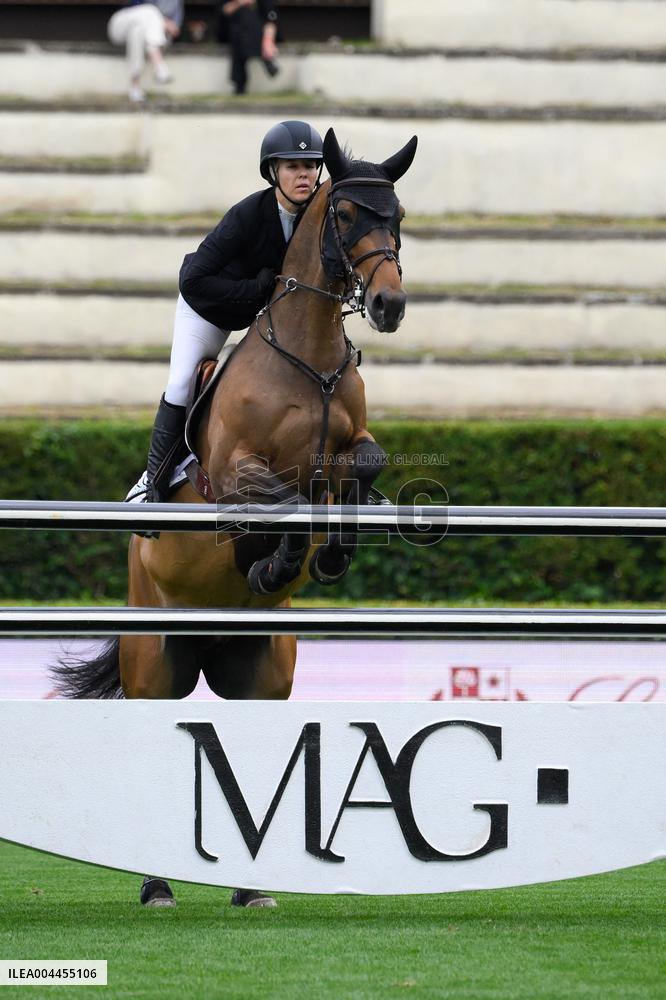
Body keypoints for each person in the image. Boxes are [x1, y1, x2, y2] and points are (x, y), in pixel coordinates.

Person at [126, 120, 324, 505]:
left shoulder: (314, 217)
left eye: (311, 165)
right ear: (273, 172)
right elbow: (193, 280)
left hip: (262, 319)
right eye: (292, 166)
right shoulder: (247, 215)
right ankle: (152, 485)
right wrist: (255, 289)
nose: (304, 175)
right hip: (209, 310)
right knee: (181, 384)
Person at [107, 0, 183, 103]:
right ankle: (159, 65)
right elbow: (139, 6)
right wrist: (163, 21)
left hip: (145, 34)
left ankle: (135, 86)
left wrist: (166, 26)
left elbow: (175, 29)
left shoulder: (176, 3)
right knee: (151, 11)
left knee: (137, 31)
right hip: (120, 25)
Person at [219, 0, 280, 95]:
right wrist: (241, 2)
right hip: (233, 34)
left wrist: (268, 41)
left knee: (250, 24)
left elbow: (271, 19)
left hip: (258, 35)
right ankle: (266, 60)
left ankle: (240, 84)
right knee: (242, 28)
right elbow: (224, 11)